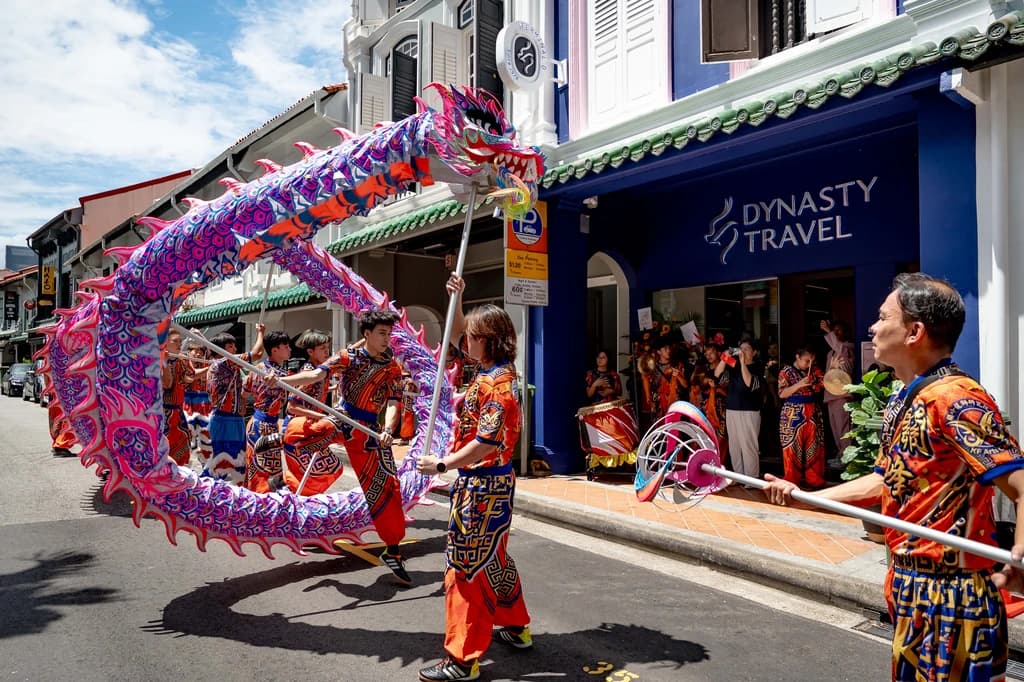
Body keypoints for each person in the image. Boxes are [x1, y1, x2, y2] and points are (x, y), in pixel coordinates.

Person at [764, 273, 1024, 681]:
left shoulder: (956, 399)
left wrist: (1019, 556)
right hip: (910, 585)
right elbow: (883, 481)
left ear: (914, 331)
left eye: (883, 317)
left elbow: (1022, 485)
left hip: (953, 593)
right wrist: (800, 496)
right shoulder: (904, 398)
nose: (872, 326)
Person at [416, 274, 531, 682]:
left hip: (481, 485)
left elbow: (486, 441)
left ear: (491, 341)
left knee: (463, 568)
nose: (465, 341)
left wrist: (444, 465)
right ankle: (516, 625)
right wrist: (459, 297)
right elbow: (459, 327)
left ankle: (463, 659)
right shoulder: (494, 372)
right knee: (494, 556)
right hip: (489, 484)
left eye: (473, 337)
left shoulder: (497, 386)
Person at [271, 310, 408, 584]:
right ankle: (279, 467)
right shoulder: (348, 357)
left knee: (388, 488)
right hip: (342, 419)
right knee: (304, 432)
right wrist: (281, 381)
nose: (386, 338)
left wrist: (388, 430)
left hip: (369, 434)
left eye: (388, 333)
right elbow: (315, 376)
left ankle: (393, 551)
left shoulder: (392, 368)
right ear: (367, 334)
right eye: (381, 333)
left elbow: (393, 403)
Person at [203, 324, 265, 483]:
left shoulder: (225, 366)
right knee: (224, 462)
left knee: (235, 459)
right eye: (230, 346)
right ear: (220, 350)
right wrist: (260, 332)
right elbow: (257, 353)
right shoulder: (223, 364)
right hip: (225, 419)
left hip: (232, 418)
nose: (234, 349)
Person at [242, 330, 291, 492]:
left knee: (257, 468)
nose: (289, 349)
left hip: (256, 422)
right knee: (265, 471)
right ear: (274, 350)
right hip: (265, 426)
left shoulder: (258, 368)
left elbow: (245, 393)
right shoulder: (281, 375)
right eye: (286, 346)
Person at [777, 347, 825, 487]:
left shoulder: (815, 371)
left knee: (815, 446)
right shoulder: (785, 372)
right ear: (797, 357)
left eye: (812, 361)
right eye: (806, 361)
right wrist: (798, 385)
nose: (809, 364)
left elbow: (825, 385)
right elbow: (782, 393)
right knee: (792, 448)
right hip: (792, 413)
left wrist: (832, 370)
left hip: (813, 412)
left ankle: (814, 480)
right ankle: (791, 480)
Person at [717, 338, 763, 479]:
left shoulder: (758, 366)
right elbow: (717, 374)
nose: (742, 351)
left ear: (754, 352)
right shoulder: (734, 364)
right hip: (732, 409)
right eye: (740, 348)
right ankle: (738, 476)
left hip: (749, 410)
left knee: (748, 445)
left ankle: (751, 478)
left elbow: (749, 382)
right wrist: (725, 357)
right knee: (735, 445)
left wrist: (743, 364)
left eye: (747, 349)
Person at [820, 320, 855, 466]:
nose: (835, 333)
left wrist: (828, 331)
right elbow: (828, 375)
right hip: (831, 394)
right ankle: (841, 455)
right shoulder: (831, 352)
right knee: (835, 428)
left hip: (842, 394)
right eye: (834, 331)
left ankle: (846, 458)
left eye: (838, 331)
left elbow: (841, 352)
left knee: (843, 427)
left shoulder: (847, 348)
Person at [162, 328, 195, 466]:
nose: (179, 344)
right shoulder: (157, 362)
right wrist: (164, 360)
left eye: (180, 341)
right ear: (165, 343)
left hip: (178, 411)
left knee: (184, 441)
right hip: (164, 413)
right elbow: (167, 384)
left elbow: (190, 376)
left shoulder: (180, 360)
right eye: (175, 341)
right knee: (165, 446)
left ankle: (178, 474)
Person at [689, 344, 728, 454]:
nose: (708, 356)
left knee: (720, 439)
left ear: (719, 353)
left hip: (721, 411)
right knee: (703, 439)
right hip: (705, 409)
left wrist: (716, 390)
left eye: (711, 352)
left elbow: (728, 393)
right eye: (706, 354)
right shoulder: (702, 370)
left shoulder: (726, 372)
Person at [182, 335, 213, 467]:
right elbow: (192, 375)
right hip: (188, 400)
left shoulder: (206, 362)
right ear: (189, 352)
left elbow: (211, 349)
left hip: (204, 402)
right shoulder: (184, 363)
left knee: (207, 434)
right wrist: (209, 368)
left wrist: (201, 337)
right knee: (186, 433)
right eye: (195, 351)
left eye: (201, 351)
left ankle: (205, 463)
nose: (198, 353)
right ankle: (184, 464)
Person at [642, 336, 688, 421]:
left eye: (668, 348)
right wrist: (648, 398)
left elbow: (685, 385)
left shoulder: (678, 364)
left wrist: (678, 375)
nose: (668, 350)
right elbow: (646, 380)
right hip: (658, 405)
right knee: (659, 430)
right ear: (659, 352)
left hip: (674, 403)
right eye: (665, 348)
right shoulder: (653, 367)